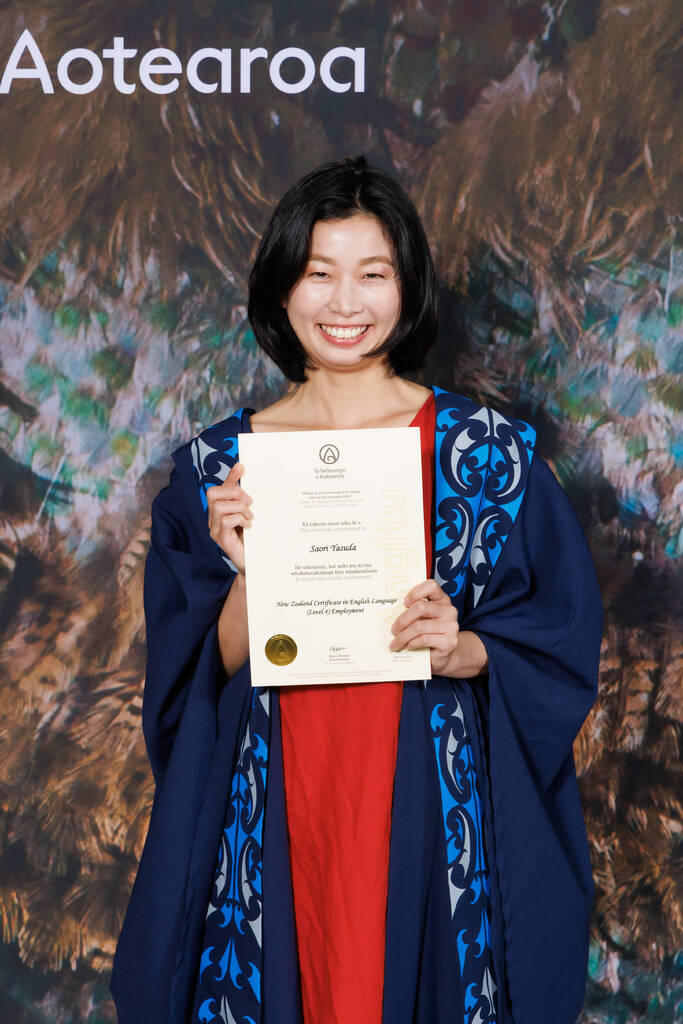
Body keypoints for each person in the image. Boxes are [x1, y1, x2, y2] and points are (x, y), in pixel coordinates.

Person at [111, 157, 602, 1024]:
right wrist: (246, 575)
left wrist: (465, 647)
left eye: (372, 274)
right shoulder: (218, 472)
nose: (345, 304)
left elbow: (556, 639)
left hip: (426, 787)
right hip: (275, 792)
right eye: (317, 273)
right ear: (280, 287)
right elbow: (193, 681)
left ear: (406, 287)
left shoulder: (486, 457)